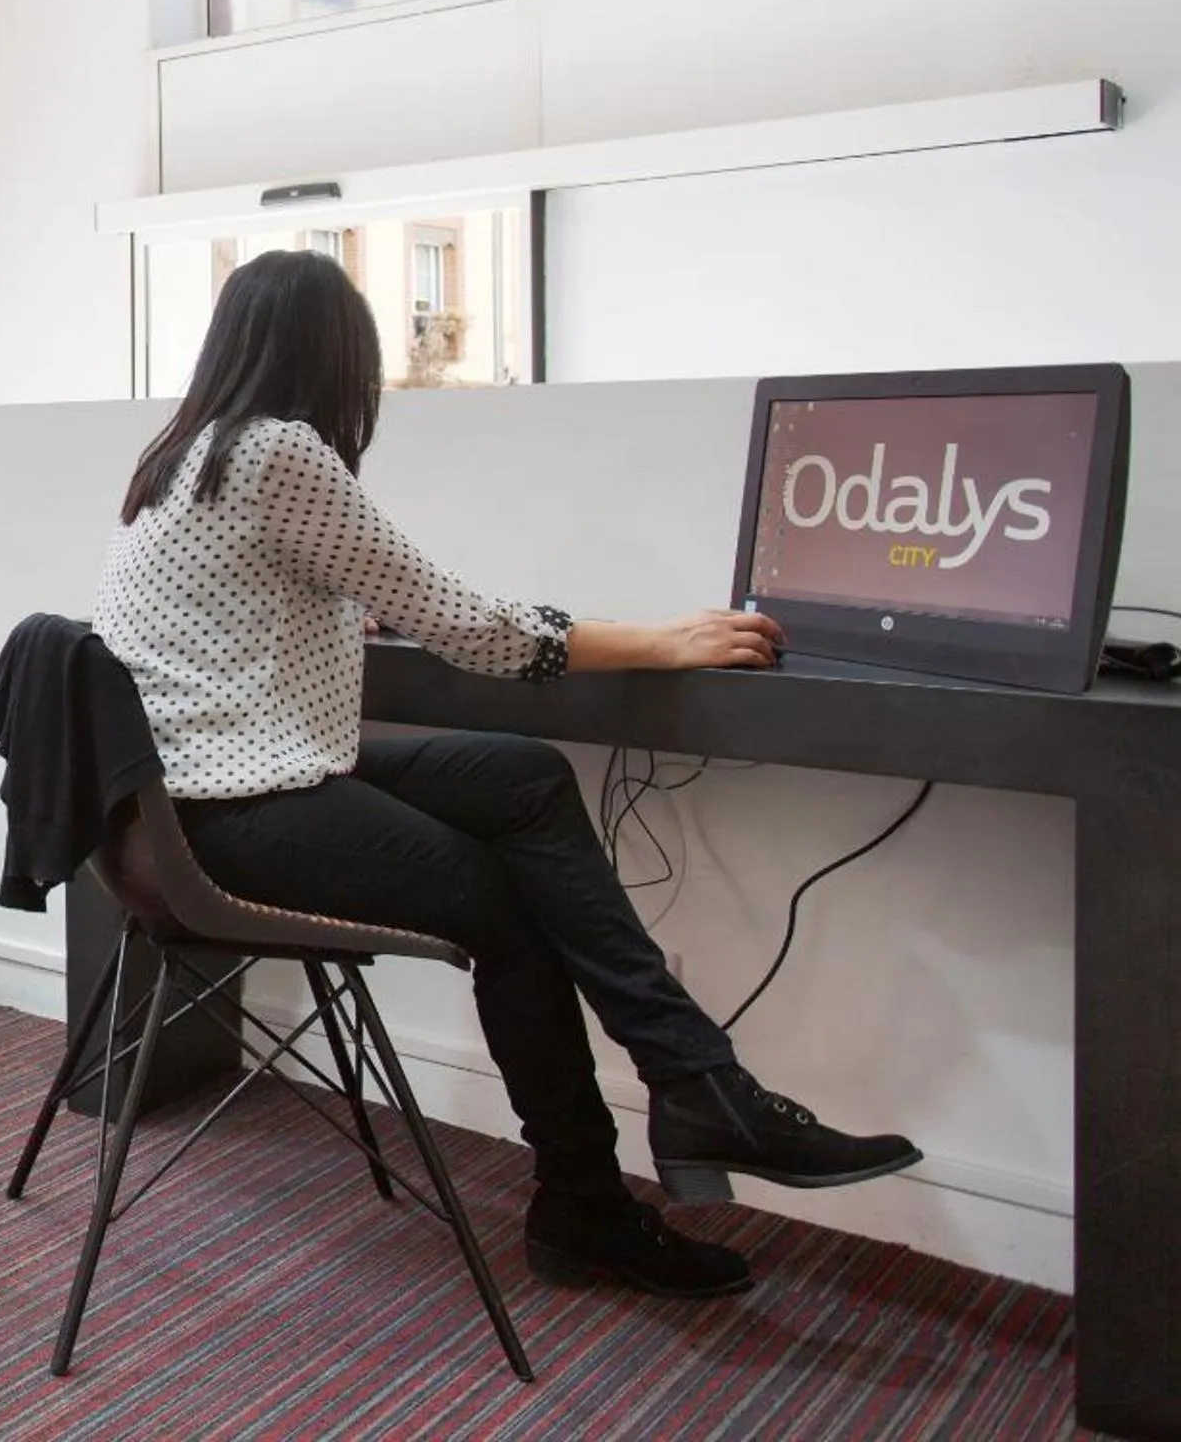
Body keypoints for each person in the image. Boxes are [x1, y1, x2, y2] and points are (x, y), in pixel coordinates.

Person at [94, 249, 921, 1297]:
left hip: (175, 813)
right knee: (517, 907)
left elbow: (271, 602)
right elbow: (473, 631)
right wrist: (660, 642)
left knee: (523, 778)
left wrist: (360, 601)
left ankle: (693, 1083)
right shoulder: (281, 455)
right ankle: (593, 1199)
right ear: (336, 358)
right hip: (234, 817)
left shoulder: (187, 458)